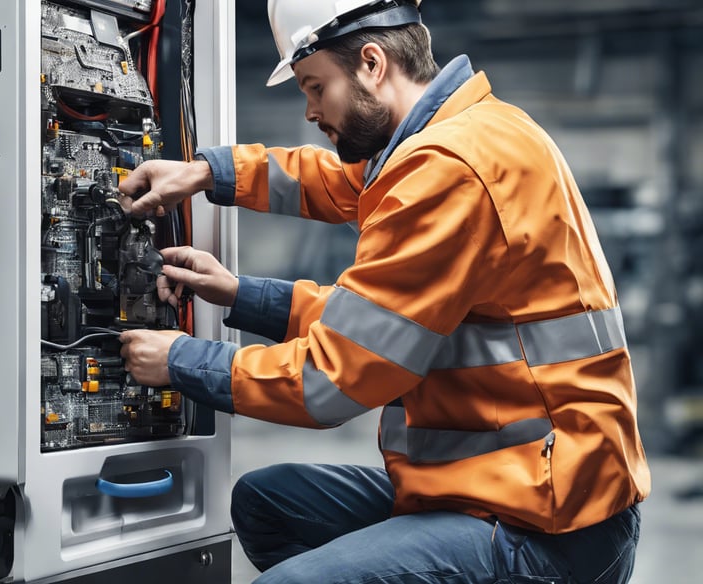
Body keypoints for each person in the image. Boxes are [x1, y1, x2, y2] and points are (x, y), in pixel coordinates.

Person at [119, 0, 651, 582]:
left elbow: (329, 381)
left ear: (372, 64)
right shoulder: (463, 131)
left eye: (316, 88)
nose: (310, 110)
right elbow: (343, 212)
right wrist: (211, 195)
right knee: (266, 502)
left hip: (548, 524)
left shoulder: (449, 167)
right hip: (503, 486)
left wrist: (179, 360)